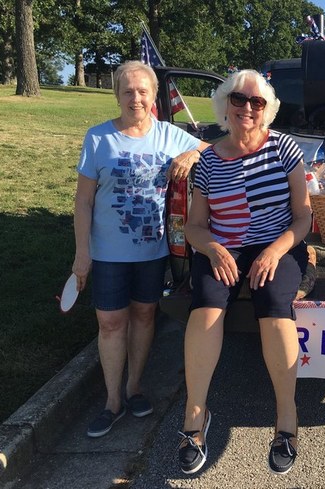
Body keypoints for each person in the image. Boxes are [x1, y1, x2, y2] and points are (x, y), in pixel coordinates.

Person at [177, 69, 312, 476]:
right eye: (239, 100)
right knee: (206, 308)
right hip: (223, 247)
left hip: (278, 245)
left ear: (267, 109)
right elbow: (194, 225)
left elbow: (304, 217)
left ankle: (286, 420)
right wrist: (215, 248)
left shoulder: (285, 148)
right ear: (225, 105)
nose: (248, 108)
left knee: (274, 307)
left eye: (257, 102)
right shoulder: (207, 161)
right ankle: (195, 420)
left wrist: (274, 251)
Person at [73, 60, 210, 438]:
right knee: (110, 322)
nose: (135, 98)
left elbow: (215, 151)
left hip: (152, 251)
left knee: (145, 317)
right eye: (128, 91)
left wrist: (191, 155)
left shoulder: (169, 134)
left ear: (153, 97)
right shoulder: (98, 138)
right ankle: (111, 401)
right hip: (107, 252)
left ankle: (134, 388)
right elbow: (83, 202)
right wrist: (81, 253)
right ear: (117, 95)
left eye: (142, 91)